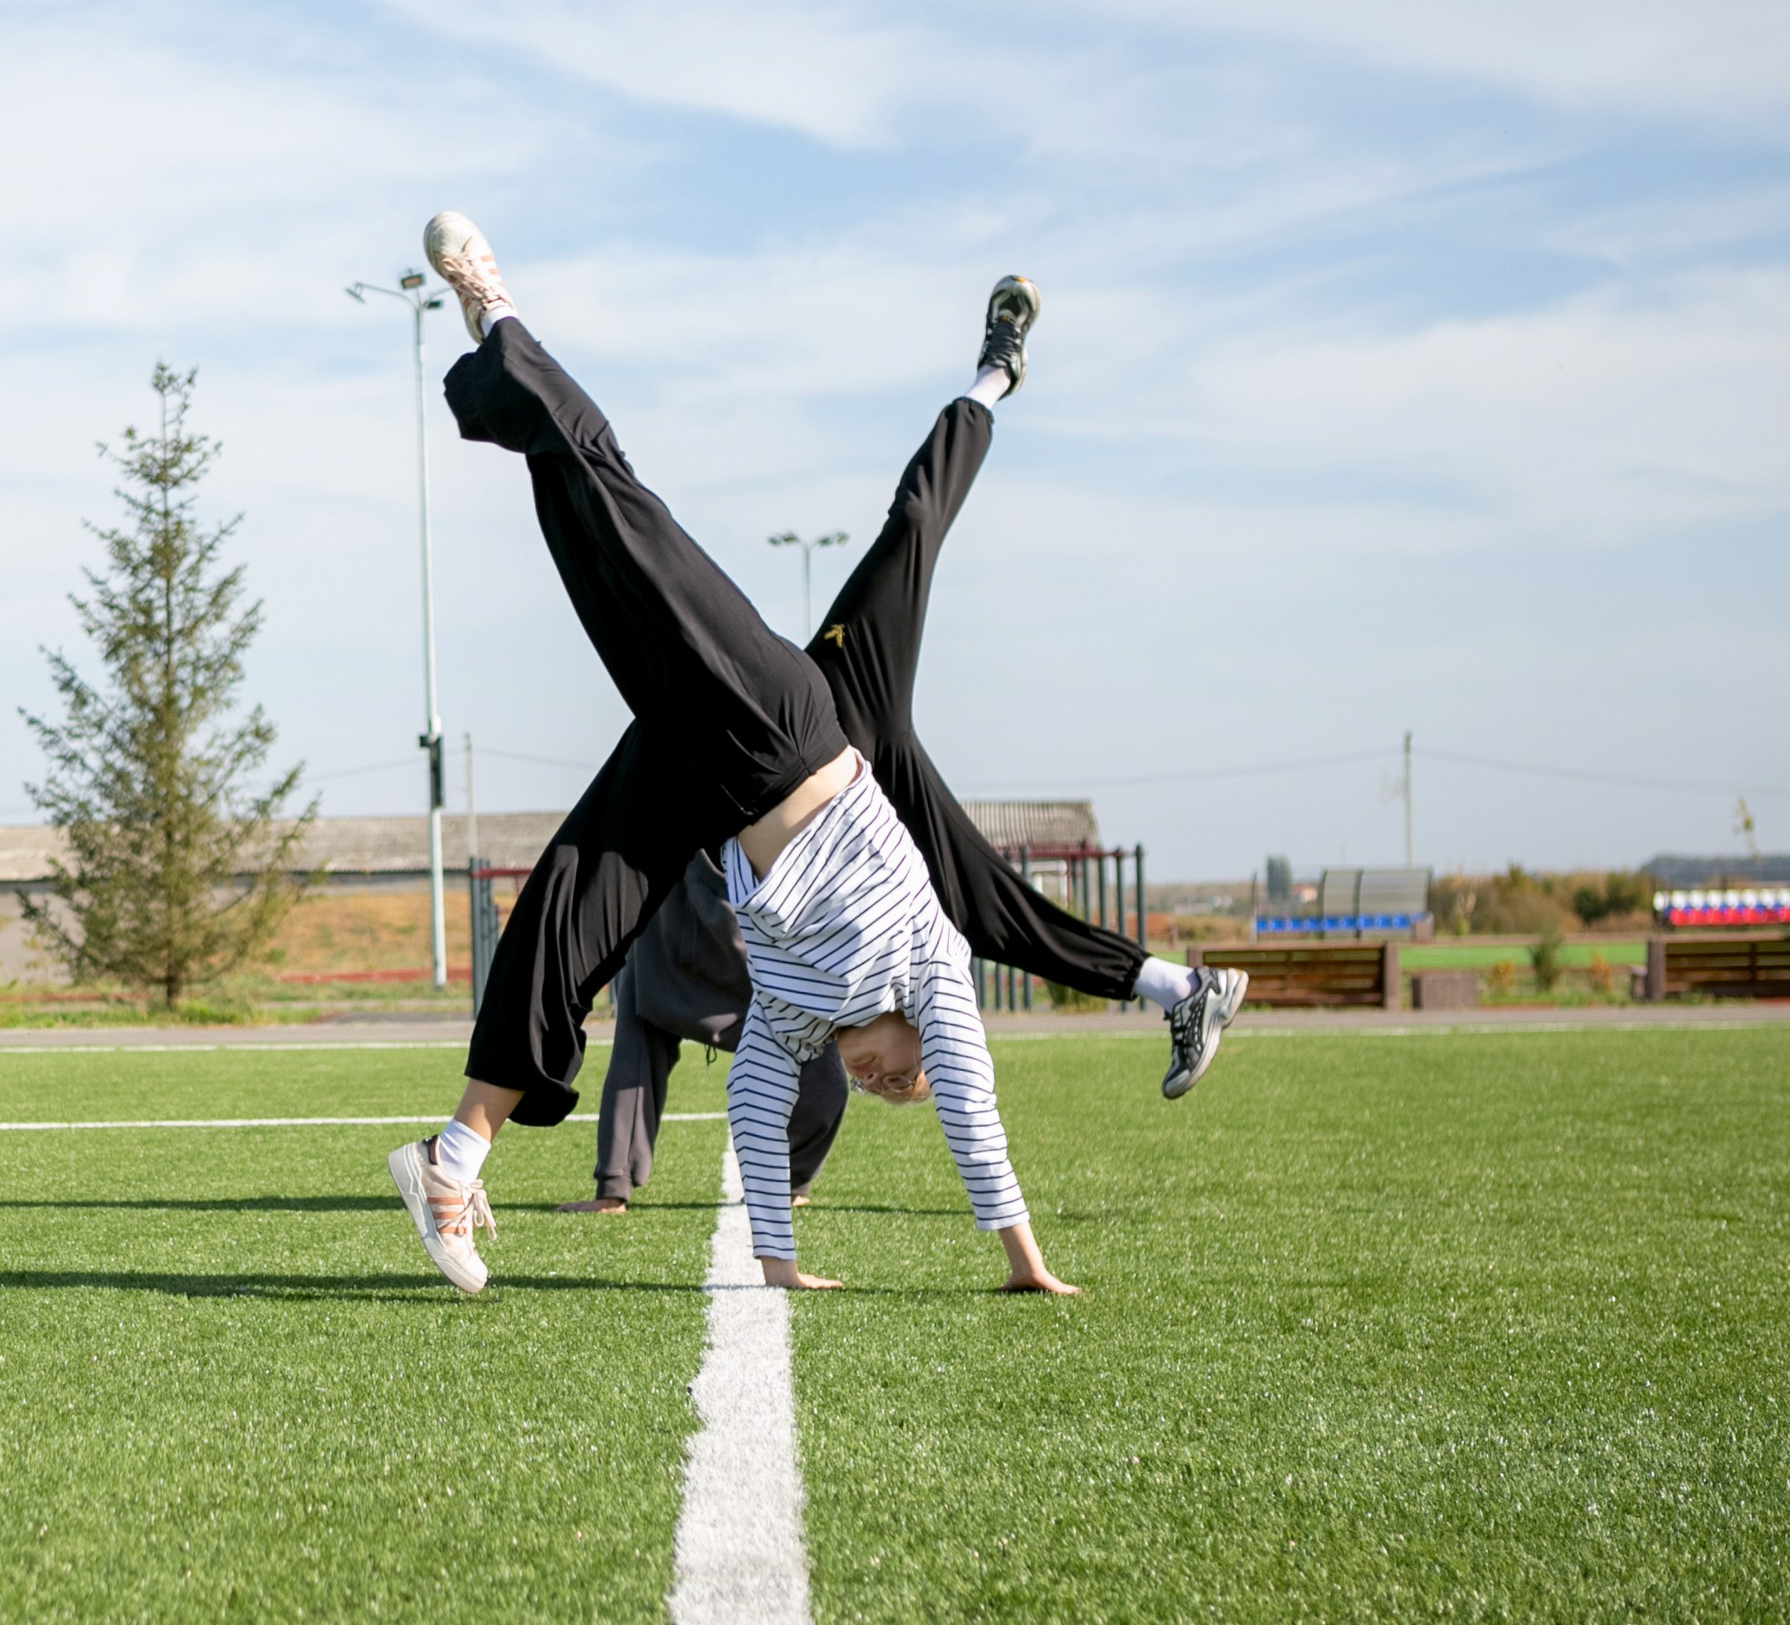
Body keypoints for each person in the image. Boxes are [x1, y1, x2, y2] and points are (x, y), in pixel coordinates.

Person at [385, 213, 1242, 1296]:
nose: (884, 1084)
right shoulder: (928, 970)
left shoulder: (796, 1007)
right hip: (779, 730)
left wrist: (778, 1262)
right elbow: (973, 1109)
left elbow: (754, 1104)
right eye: (902, 1077)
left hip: (713, 783)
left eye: (880, 1093)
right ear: (921, 1035)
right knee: (619, 509)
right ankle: (499, 312)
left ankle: (452, 1156)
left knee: (574, 901)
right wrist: (1025, 1262)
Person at [558, 849, 850, 1216]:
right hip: (686, 924)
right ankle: (614, 1190)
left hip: (735, 920)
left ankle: (787, 1182)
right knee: (642, 1036)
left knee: (818, 1050)